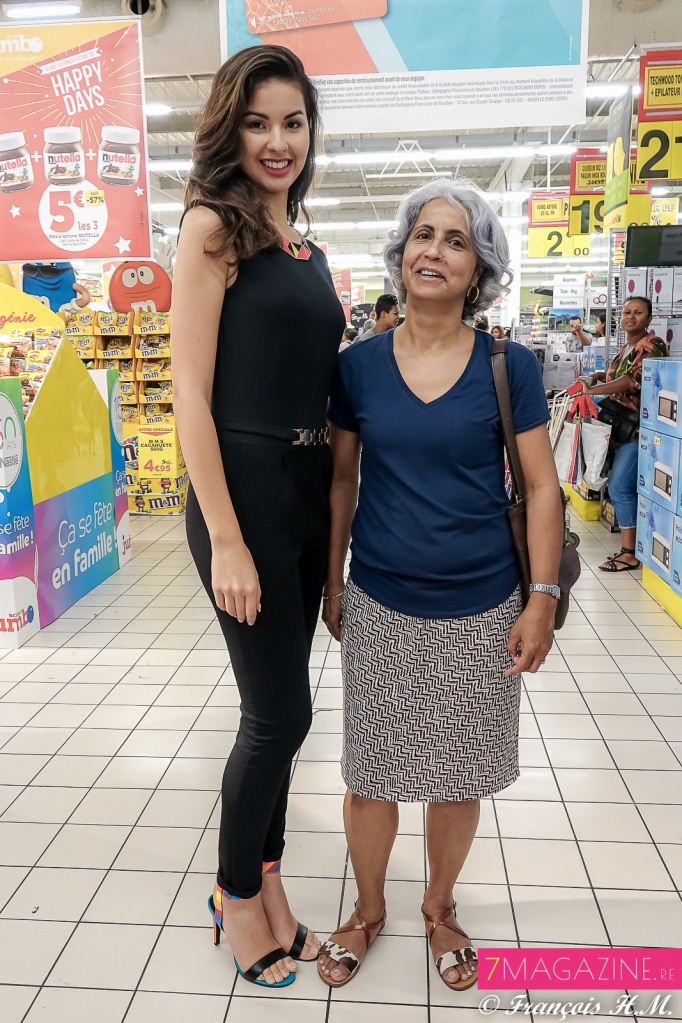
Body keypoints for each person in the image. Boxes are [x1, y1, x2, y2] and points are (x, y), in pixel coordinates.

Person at [318, 179, 563, 993]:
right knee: (371, 774)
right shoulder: (357, 367)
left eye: (457, 240)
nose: (435, 251)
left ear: (479, 268)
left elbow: (542, 486)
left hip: (483, 604)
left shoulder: (508, 365)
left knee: (458, 777)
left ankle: (439, 904)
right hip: (381, 598)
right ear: (401, 252)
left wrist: (541, 596)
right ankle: (367, 908)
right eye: (423, 234)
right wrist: (332, 581)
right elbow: (342, 480)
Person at [171, 45, 345, 989]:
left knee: (285, 710)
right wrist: (228, 538)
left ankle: (269, 878)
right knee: (277, 714)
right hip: (244, 497)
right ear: (229, 129)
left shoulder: (303, 246)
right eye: (257, 122)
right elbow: (188, 396)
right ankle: (235, 893)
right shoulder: (211, 228)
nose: (278, 141)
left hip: (305, 494)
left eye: (293, 122)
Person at [579, 296, 667, 572]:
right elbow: (617, 376)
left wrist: (593, 390)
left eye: (638, 312)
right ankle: (633, 547)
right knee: (622, 486)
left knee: (619, 487)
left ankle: (630, 553)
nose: (630, 316)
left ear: (649, 318)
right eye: (627, 312)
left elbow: (631, 381)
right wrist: (597, 376)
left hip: (640, 429)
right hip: (622, 427)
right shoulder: (627, 347)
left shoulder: (652, 345)